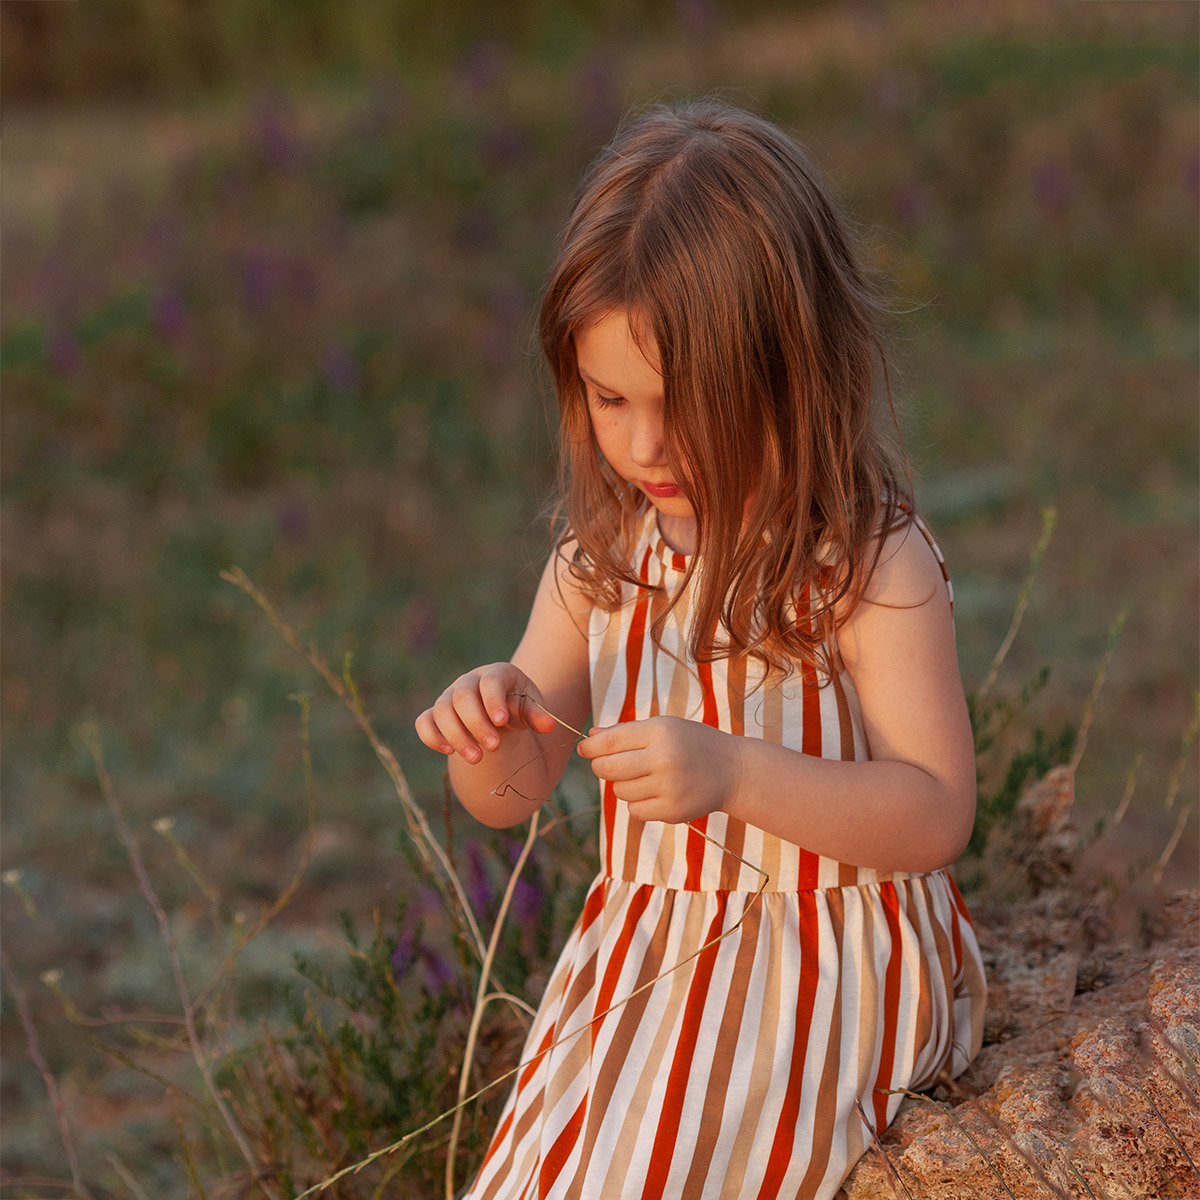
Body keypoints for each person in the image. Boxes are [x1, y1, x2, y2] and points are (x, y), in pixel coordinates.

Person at [415, 97, 986, 1200]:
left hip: (821, 958)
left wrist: (733, 773)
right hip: (647, 954)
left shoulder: (867, 566)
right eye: (608, 398)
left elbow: (934, 812)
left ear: (792, 368)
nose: (641, 444)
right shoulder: (601, 556)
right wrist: (488, 724)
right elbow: (510, 791)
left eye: (683, 404)